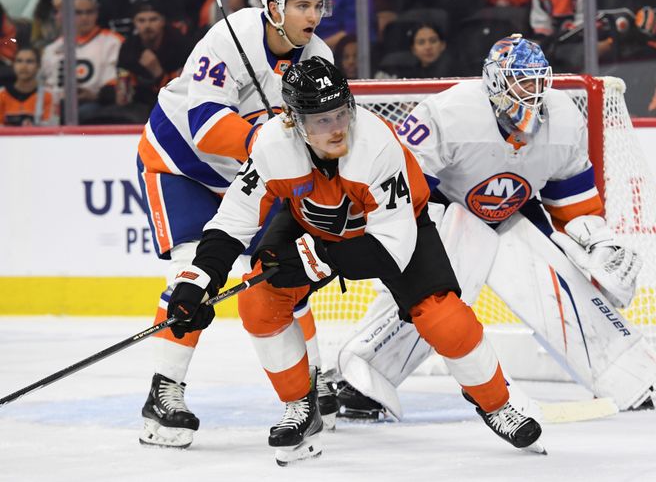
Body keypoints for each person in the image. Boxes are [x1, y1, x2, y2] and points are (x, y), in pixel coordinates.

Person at [165, 56, 545, 465]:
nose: (337, 128)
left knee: (444, 319)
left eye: (340, 113)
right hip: (309, 222)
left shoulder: (376, 145)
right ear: (293, 120)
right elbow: (231, 223)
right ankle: (300, 407)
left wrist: (317, 258)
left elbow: (391, 247)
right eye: (321, 120)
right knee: (258, 302)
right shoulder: (272, 146)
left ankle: (497, 404)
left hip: (394, 230)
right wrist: (196, 281)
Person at [334, 35, 656, 421]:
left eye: (538, 80)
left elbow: (572, 201)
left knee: (558, 277)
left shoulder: (565, 118)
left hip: (513, 215)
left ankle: (625, 374)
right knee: (435, 289)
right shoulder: (447, 113)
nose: (533, 90)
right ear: (494, 81)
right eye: (522, 80)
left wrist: (600, 244)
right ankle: (365, 378)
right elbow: (405, 191)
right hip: (441, 216)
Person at [135, 0, 338, 450]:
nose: (313, 15)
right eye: (301, 5)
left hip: (248, 177)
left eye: (317, 4)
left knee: (284, 274)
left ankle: (314, 376)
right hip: (178, 164)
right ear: (273, 7)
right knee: (190, 273)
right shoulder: (228, 37)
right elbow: (204, 124)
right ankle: (164, 392)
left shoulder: (319, 55)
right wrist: (261, 142)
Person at [40, 0, 123, 124]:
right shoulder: (52, 49)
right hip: (57, 105)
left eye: (89, 12)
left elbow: (115, 84)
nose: (84, 18)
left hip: (97, 106)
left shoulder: (113, 42)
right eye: (78, 13)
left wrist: (95, 96)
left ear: (96, 14)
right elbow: (47, 86)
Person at [116, 0, 192, 122]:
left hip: (174, 106)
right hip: (139, 104)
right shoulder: (129, 46)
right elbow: (123, 95)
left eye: (153, 19)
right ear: (135, 23)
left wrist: (158, 73)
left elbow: (181, 93)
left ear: (162, 21)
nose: (147, 26)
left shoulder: (180, 45)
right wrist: (123, 91)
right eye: (141, 20)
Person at [0, 46, 55, 126]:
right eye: (19, 61)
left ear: (38, 66)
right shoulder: (2, 94)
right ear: (13, 65)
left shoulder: (48, 96)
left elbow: (51, 129)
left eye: (29, 61)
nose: (23, 66)